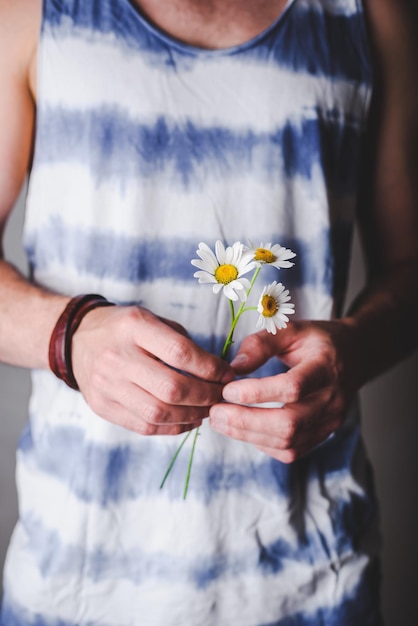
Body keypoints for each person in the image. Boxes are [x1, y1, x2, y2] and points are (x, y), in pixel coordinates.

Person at [0, 0, 417, 624]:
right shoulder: (29, 11)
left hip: (314, 585)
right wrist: (73, 337)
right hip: (78, 588)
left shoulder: (372, 14)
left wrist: (353, 349)